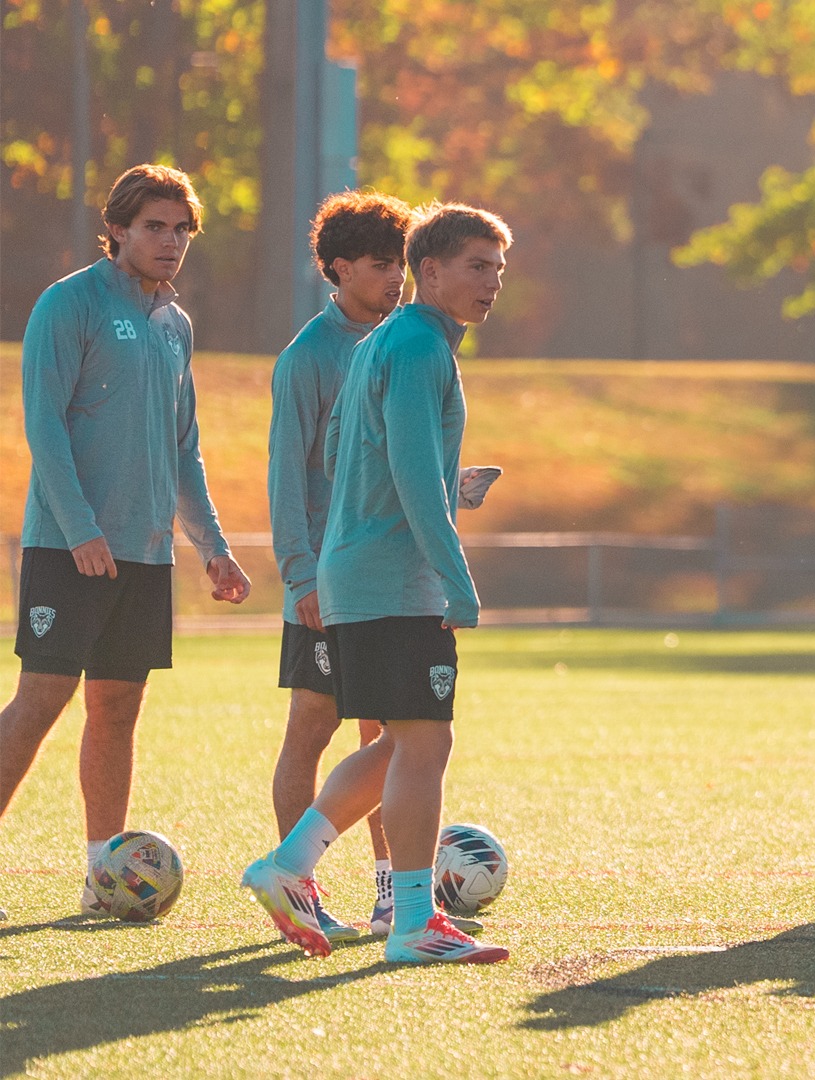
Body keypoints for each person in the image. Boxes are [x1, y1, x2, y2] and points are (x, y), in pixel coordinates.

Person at [241, 202, 510, 964]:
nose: (492, 283)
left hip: (356, 572)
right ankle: (415, 924)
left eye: (498, 269)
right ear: (431, 271)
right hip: (396, 581)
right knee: (426, 743)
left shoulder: (380, 343)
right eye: (476, 266)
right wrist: (456, 581)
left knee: (398, 743)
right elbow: (417, 477)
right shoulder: (424, 347)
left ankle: (288, 865)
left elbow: (339, 449)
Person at [0, 164, 251, 922]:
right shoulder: (67, 304)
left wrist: (210, 544)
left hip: (144, 557)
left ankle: (101, 876)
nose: (170, 241)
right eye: (154, 226)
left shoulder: (175, 323)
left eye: (180, 229)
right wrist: (80, 530)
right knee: (42, 699)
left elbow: (185, 448)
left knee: (117, 706)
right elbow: (43, 425)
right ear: (117, 229)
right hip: (67, 547)